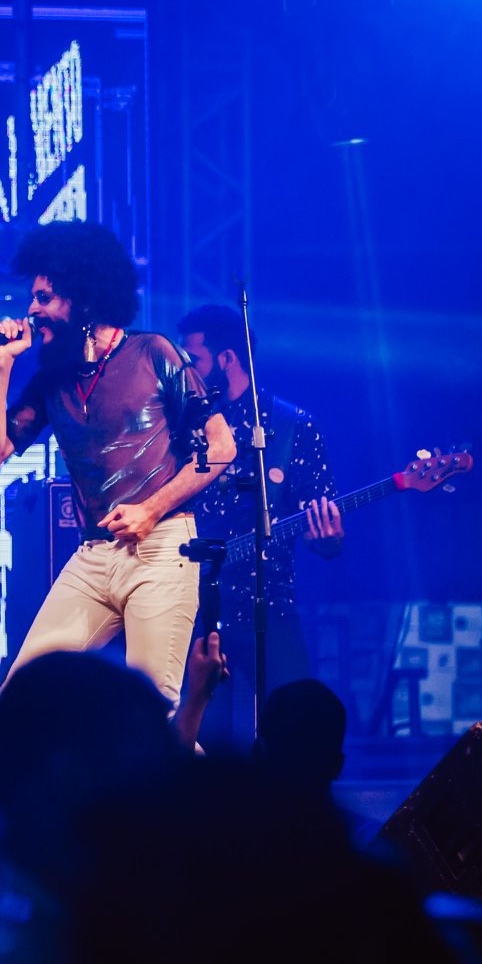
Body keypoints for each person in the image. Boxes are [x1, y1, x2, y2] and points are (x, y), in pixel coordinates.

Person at [0, 220, 236, 721]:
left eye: (45, 297)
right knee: (22, 701)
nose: (32, 310)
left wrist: (151, 509)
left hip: (162, 547)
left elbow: (222, 447)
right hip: (93, 556)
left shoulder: (153, 353)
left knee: (153, 717)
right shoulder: (52, 379)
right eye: (32, 298)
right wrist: (0, 366)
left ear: (85, 300)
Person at [178, 303, 342, 754]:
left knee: (299, 737)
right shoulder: (182, 425)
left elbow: (326, 534)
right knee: (199, 744)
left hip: (269, 604)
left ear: (228, 358)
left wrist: (329, 539)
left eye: (194, 361)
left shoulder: (293, 426)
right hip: (193, 608)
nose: (187, 373)